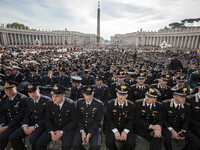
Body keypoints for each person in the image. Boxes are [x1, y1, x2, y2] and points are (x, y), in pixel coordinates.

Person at [9, 83, 50, 150]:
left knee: (33, 138)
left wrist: (35, 126)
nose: (32, 94)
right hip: (31, 123)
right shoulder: (28, 100)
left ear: (38, 90)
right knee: (13, 137)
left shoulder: (47, 100)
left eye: (34, 92)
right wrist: (25, 125)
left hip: (42, 124)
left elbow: (48, 118)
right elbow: (27, 115)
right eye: (29, 92)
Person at [36, 84, 77, 150]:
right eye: (52, 96)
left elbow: (74, 121)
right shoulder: (50, 103)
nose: (54, 98)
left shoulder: (71, 104)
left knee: (67, 146)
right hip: (53, 127)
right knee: (39, 144)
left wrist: (62, 131)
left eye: (57, 96)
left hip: (66, 129)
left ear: (63, 95)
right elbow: (47, 119)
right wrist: (51, 131)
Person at [105, 85, 136, 150]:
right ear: (117, 94)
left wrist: (125, 131)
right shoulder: (110, 104)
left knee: (132, 144)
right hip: (113, 126)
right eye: (119, 94)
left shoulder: (131, 105)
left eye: (123, 95)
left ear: (126, 96)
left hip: (125, 127)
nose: (121, 96)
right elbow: (108, 119)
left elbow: (131, 120)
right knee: (109, 142)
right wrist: (115, 131)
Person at [73, 85, 103, 150]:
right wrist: (82, 131)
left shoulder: (99, 104)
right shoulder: (79, 103)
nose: (89, 97)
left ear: (93, 94)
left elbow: (98, 121)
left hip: (94, 127)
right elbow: (78, 118)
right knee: (75, 145)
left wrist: (89, 134)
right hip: (81, 126)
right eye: (87, 95)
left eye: (91, 94)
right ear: (83, 94)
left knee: (95, 146)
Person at [0, 81, 27, 150]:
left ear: (16, 88)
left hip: (18, 123)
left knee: (4, 137)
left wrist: (6, 127)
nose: (8, 92)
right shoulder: (4, 98)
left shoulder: (22, 99)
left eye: (10, 89)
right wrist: (2, 124)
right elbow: (2, 113)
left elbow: (20, 116)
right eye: (6, 90)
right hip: (7, 123)